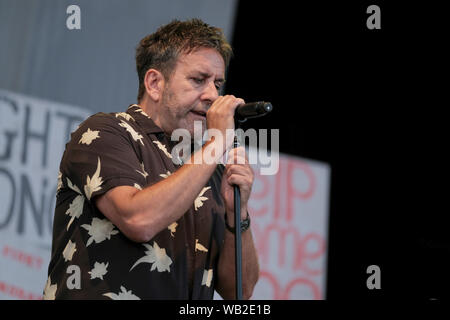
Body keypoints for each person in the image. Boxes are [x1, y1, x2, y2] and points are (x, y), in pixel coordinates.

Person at [44, 18, 259, 300]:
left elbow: (239, 294)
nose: (212, 95)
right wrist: (217, 142)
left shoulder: (209, 164)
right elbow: (138, 220)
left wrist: (237, 216)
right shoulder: (106, 131)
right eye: (198, 80)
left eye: (217, 83)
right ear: (155, 83)